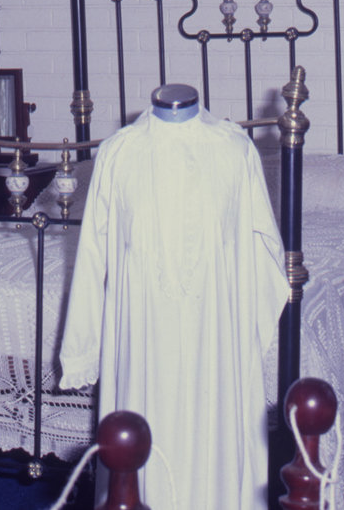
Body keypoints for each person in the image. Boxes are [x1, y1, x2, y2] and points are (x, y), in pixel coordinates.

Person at [58, 84, 289, 508]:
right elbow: (91, 256)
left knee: (216, 438)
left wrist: (246, 333)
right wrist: (81, 350)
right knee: (137, 445)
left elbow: (265, 253)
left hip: (216, 335)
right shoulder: (118, 153)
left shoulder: (234, 150)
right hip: (140, 338)